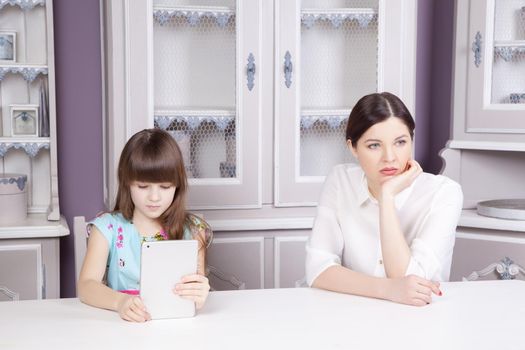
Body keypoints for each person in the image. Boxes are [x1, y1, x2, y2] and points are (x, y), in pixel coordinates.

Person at [305, 92, 463, 306]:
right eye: (374, 145)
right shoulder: (340, 181)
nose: (389, 157)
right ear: (352, 147)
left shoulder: (444, 193)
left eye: (400, 142)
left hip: (418, 323)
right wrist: (388, 289)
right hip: (352, 316)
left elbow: (414, 286)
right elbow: (318, 269)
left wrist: (387, 197)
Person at [78, 128, 212, 322]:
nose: (154, 197)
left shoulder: (193, 231)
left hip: (176, 328)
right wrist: (120, 302)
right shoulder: (107, 228)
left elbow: (196, 291)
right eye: (142, 186)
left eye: (165, 187)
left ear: (178, 186)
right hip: (124, 330)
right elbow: (86, 286)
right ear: (127, 183)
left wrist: (199, 293)